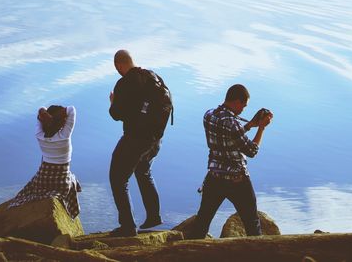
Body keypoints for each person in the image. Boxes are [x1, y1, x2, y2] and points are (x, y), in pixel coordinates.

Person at [189, 84, 273, 239]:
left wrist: (249, 125)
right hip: (237, 181)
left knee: (202, 221)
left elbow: (228, 135)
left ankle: (190, 251)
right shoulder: (232, 124)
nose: (243, 110)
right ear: (236, 102)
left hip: (214, 177)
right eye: (243, 105)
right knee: (252, 223)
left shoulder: (208, 115)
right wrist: (261, 128)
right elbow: (252, 150)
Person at [108, 50, 172, 237]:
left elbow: (116, 114)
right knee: (142, 170)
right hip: (155, 139)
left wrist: (112, 102)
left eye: (117, 68)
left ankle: (128, 227)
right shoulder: (153, 77)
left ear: (119, 65)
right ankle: (154, 216)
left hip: (136, 139)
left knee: (118, 178)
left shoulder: (125, 83)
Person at [9, 105, 81, 219]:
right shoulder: (64, 135)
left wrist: (46, 114)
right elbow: (72, 109)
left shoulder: (39, 135)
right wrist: (54, 118)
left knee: (35, 182)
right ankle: (72, 214)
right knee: (72, 179)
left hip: (42, 181)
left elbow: (40, 109)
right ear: (61, 122)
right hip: (61, 184)